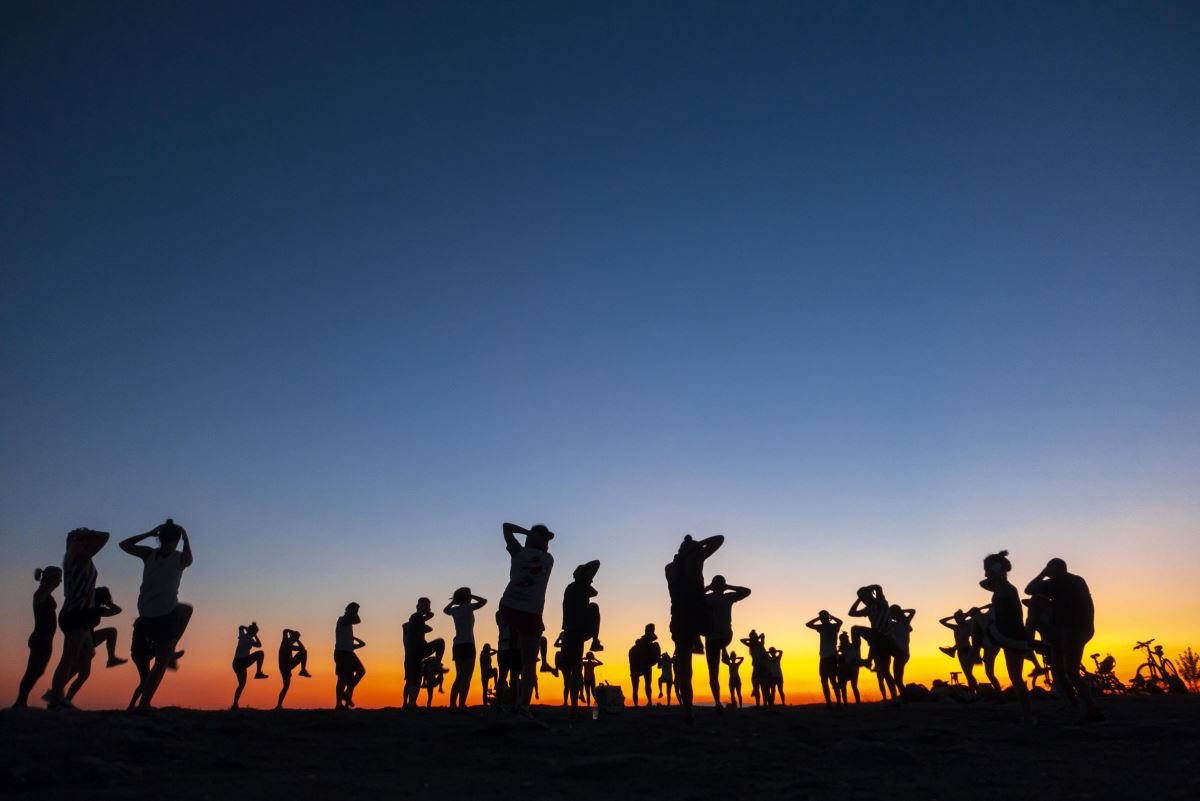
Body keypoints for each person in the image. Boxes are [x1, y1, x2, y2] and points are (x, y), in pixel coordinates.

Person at [122, 519, 193, 709]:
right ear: (176, 540)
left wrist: (150, 532)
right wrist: (185, 535)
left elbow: (125, 545)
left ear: (160, 538)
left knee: (185, 609)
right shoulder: (179, 558)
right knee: (161, 662)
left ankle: (171, 650)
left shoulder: (148, 553)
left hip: (145, 612)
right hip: (164, 613)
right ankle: (144, 703)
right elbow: (190, 559)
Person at [1025, 557, 1103, 723]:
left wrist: (1043, 573)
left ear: (1053, 571)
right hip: (1071, 630)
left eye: (1049, 571)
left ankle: (1091, 709)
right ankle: (1077, 707)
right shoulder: (1076, 581)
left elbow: (1029, 589)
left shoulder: (1057, 583)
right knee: (1060, 672)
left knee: (1070, 671)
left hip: (1072, 631)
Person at [46, 528, 110, 709]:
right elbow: (105, 537)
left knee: (88, 653)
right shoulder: (81, 558)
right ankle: (56, 700)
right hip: (76, 614)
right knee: (68, 658)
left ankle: (58, 696)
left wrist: (81, 535)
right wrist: (89, 532)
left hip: (78, 613)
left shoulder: (74, 558)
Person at [497, 522, 555, 718]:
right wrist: (530, 534)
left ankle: (517, 704)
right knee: (528, 663)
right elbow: (505, 526)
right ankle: (522, 706)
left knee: (522, 661)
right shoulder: (546, 558)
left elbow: (506, 528)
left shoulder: (524, 554)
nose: (548, 543)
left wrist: (529, 533)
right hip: (526, 612)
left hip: (511, 608)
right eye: (545, 539)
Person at [665, 534, 724, 723]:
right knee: (686, 668)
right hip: (696, 619)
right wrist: (697, 546)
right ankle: (697, 639)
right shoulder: (696, 559)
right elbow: (719, 539)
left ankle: (688, 712)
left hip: (680, 619)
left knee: (684, 670)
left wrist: (689, 548)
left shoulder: (670, 568)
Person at [981, 550, 1034, 726]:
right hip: (1010, 635)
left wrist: (996, 568)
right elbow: (984, 583)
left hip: (1010, 635)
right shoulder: (1004, 587)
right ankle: (1027, 715)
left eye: (987, 570)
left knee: (1016, 678)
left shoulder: (1005, 588)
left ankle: (1028, 716)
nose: (985, 573)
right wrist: (995, 567)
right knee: (1016, 678)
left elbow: (985, 583)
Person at [64, 586, 126, 704]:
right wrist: (109, 603)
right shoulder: (93, 609)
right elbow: (117, 610)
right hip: (83, 640)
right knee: (81, 673)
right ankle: (63, 698)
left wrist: (105, 602)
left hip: (89, 638)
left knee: (111, 632)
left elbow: (118, 610)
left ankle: (111, 658)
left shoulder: (95, 609)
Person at [13, 566, 62, 708]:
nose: (60, 581)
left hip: (45, 638)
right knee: (32, 671)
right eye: (59, 578)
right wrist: (47, 582)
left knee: (38, 671)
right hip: (41, 638)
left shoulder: (46, 592)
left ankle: (21, 700)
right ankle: (20, 701)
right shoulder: (41, 593)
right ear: (52, 578)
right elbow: (40, 598)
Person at [560, 559, 603, 716]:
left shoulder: (572, 588)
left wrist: (583, 575)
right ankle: (595, 641)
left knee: (574, 671)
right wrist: (584, 572)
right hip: (577, 632)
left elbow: (593, 592)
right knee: (576, 671)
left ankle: (574, 705)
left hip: (570, 632)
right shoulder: (580, 587)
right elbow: (597, 563)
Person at [703, 575, 751, 710]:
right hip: (722, 638)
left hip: (716, 639)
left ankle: (717, 702)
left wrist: (707, 588)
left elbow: (693, 598)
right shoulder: (726, 597)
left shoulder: (710, 598)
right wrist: (728, 586)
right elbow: (746, 591)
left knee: (713, 672)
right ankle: (717, 702)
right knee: (713, 672)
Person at [848, 584, 897, 701]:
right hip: (877, 640)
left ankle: (863, 659)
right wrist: (859, 598)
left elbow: (878, 587)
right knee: (885, 671)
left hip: (885, 638)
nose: (864, 601)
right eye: (862, 599)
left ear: (870, 595)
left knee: (855, 629)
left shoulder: (880, 602)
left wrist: (868, 589)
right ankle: (895, 698)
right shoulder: (868, 609)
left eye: (864, 598)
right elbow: (851, 613)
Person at [444, 588, 487, 709]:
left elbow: (445, 610)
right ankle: (461, 704)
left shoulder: (454, 610)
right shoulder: (468, 607)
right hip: (468, 645)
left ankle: (453, 705)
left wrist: (454, 601)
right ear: (466, 597)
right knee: (466, 678)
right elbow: (484, 601)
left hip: (457, 645)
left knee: (459, 677)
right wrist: (471, 595)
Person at [404, 597, 445, 707]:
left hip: (414, 653)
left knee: (413, 680)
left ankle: (410, 704)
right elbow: (429, 615)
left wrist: (426, 610)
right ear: (418, 607)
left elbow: (431, 615)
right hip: (417, 650)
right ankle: (436, 665)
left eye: (428, 606)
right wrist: (424, 610)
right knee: (440, 643)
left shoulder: (419, 618)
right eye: (425, 606)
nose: (427, 608)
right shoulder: (415, 617)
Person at [938, 608, 983, 695]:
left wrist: (963, 616)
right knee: (968, 674)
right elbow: (942, 621)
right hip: (960, 652)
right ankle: (974, 693)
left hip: (968, 651)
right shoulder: (955, 627)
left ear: (962, 618)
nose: (956, 620)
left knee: (969, 674)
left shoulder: (968, 626)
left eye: (957, 618)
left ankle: (976, 693)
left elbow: (973, 636)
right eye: (955, 619)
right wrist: (953, 616)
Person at [805, 610, 843, 706]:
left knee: (833, 681)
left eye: (822, 617)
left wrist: (830, 616)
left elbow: (840, 622)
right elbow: (807, 624)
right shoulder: (822, 627)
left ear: (826, 617)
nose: (821, 620)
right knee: (824, 681)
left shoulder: (833, 626)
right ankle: (829, 703)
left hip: (831, 657)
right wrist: (821, 618)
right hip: (823, 658)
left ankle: (838, 702)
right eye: (821, 618)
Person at [334, 602, 366, 709]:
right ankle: (341, 701)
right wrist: (352, 611)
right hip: (343, 653)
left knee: (347, 678)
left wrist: (354, 611)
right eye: (355, 610)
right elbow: (358, 620)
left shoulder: (347, 622)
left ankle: (344, 700)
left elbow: (356, 620)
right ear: (348, 610)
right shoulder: (343, 619)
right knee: (344, 678)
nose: (356, 613)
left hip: (347, 652)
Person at [231, 621, 269, 708]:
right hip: (242, 662)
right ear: (253, 632)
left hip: (237, 663)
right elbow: (259, 645)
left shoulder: (242, 635)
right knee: (260, 653)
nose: (255, 635)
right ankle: (258, 672)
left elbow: (240, 626)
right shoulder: (249, 639)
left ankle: (235, 704)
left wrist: (247, 629)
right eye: (255, 633)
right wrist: (255, 635)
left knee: (241, 685)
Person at [276, 628, 311, 709]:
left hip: (289, 664)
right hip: (284, 667)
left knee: (304, 652)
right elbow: (302, 648)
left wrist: (296, 638)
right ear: (292, 637)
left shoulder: (288, 641)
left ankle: (303, 670)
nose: (295, 641)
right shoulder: (286, 643)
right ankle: (278, 705)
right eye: (295, 639)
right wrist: (294, 636)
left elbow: (285, 630)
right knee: (286, 686)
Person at [628, 624, 661, 707]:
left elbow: (654, 657)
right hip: (637, 666)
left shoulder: (651, 644)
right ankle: (638, 704)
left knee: (646, 685)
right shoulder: (637, 646)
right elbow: (632, 658)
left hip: (645, 665)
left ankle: (648, 702)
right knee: (636, 687)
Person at [494, 609, 519, 710]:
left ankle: (503, 705)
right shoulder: (514, 612)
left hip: (506, 647)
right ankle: (513, 705)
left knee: (505, 677)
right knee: (512, 678)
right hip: (512, 647)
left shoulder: (499, 613)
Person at [888, 605, 916, 699]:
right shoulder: (896, 624)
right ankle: (905, 697)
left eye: (892, 614)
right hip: (901, 653)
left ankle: (905, 697)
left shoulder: (905, 622)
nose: (891, 616)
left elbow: (913, 610)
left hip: (902, 653)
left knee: (898, 679)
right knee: (898, 679)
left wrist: (900, 611)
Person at [739, 630, 768, 705]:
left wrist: (756, 638)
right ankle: (758, 704)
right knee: (756, 686)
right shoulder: (751, 645)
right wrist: (751, 640)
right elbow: (741, 640)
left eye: (752, 637)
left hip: (762, 668)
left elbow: (762, 634)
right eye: (750, 637)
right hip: (756, 668)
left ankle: (765, 704)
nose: (751, 638)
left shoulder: (760, 644)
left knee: (763, 687)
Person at [837, 632, 861, 704]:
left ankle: (858, 703)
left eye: (846, 639)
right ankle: (845, 704)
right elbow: (839, 660)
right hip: (844, 669)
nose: (846, 640)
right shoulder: (841, 649)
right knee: (843, 687)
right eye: (843, 639)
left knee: (854, 686)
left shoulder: (853, 646)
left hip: (853, 669)